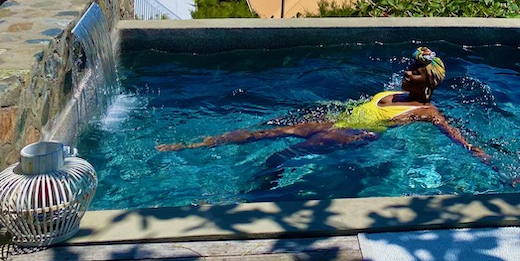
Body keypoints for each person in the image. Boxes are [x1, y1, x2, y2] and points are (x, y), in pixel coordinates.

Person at [156, 46, 490, 162]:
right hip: (339, 121)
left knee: (286, 153)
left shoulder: (428, 112)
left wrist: (491, 163)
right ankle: (194, 144)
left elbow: (459, 140)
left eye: (415, 71)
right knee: (269, 132)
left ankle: (260, 188)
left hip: (356, 135)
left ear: (429, 81)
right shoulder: (397, 92)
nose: (407, 72)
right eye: (409, 67)